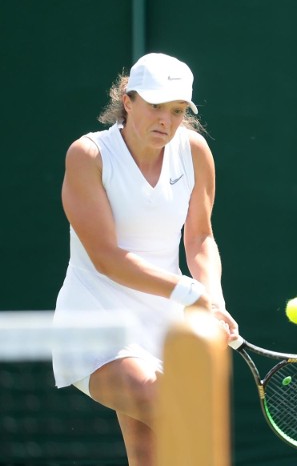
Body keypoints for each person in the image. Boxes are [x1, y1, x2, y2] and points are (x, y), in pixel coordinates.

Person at [52, 52, 239, 466]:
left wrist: (214, 300)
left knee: (149, 457)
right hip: (96, 321)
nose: (165, 121)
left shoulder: (194, 151)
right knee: (179, 415)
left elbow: (200, 237)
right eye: (155, 106)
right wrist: (190, 294)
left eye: (176, 111)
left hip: (164, 325)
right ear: (128, 98)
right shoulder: (88, 155)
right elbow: (106, 257)